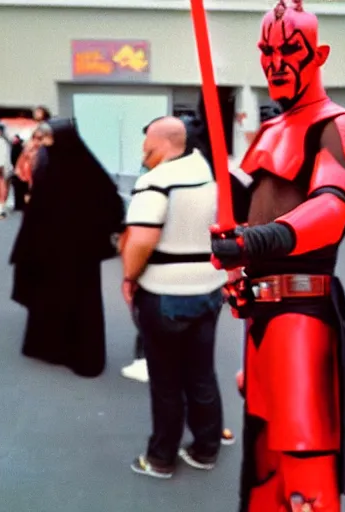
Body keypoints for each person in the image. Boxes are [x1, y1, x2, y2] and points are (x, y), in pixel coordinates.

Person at [209, 1, 345, 510]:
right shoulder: (267, 132)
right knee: (264, 467)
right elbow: (244, 212)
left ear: (319, 54)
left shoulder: (340, 125)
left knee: (305, 469)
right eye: (268, 50)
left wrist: (252, 242)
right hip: (262, 319)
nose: (276, 61)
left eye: (290, 49)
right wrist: (237, 259)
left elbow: (330, 208)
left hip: (302, 322)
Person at [121, 116, 229, 479]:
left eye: (147, 142)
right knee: (201, 373)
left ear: (165, 143)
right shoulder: (210, 177)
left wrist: (128, 277)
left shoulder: (155, 182)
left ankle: (161, 457)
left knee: (166, 381)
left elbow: (141, 240)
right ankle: (206, 447)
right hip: (209, 290)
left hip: (165, 294)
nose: (143, 150)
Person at [9, 118, 125, 378]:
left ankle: (78, 356)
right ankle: (50, 350)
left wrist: (93, 237)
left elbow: (111, 206)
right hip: (51, 251)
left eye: (49, 140)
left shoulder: (85, 169)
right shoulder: (48, 165)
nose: (45, 145)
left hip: (78, 254)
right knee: (49, 299)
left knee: (79, 304)